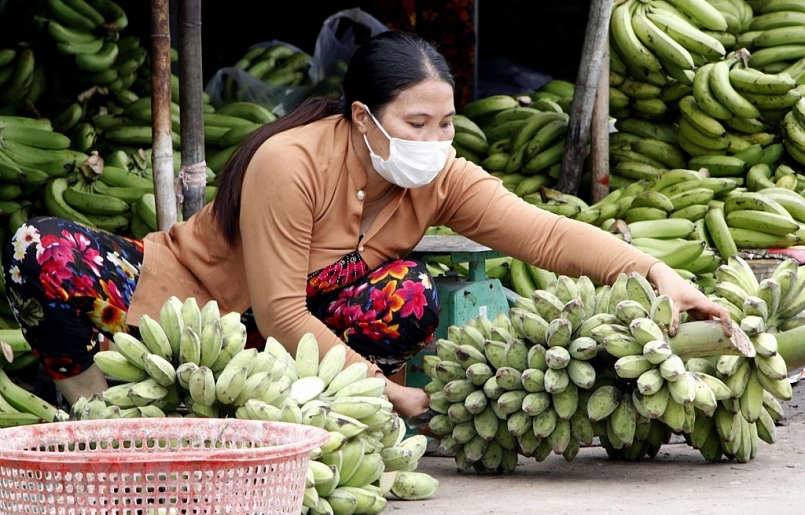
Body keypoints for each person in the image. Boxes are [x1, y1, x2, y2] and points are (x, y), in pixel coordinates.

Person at [2, 30, 732, 420]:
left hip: (278, 347)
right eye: (416, 121)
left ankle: (282, 409)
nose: (435, 138)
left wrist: (657, 273)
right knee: (40, 248)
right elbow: (284, 306)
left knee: (406, 294)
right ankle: (86, 403)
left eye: (445, 121)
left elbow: (542, 234)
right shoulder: (292, 162)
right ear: (361, 118)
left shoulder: (436, 173)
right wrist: (389, 393)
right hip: (179, 305)